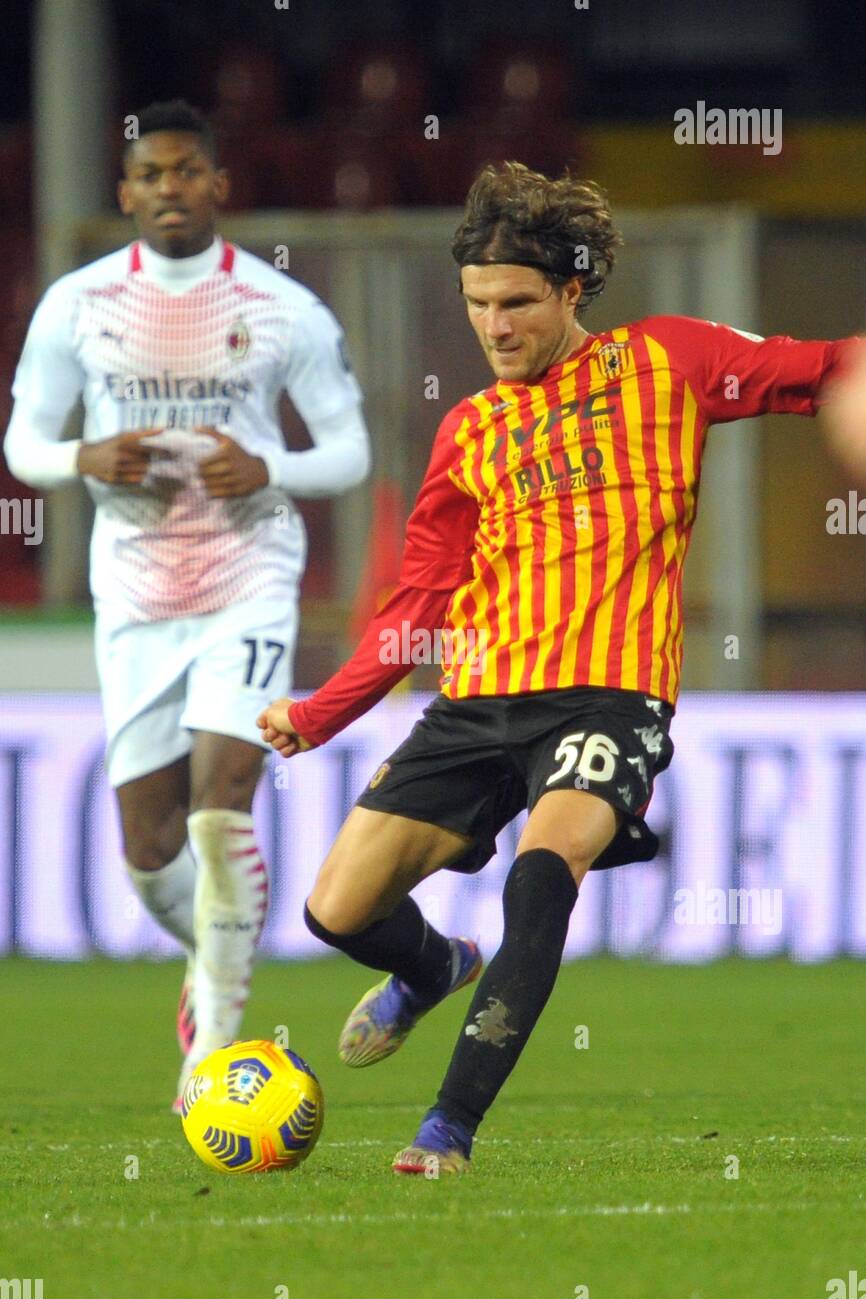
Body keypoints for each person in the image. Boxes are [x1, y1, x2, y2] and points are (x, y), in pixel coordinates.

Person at [257, 160, 853, 1174]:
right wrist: (320, 716)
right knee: (335, 909)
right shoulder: (470, 431)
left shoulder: (663, 363)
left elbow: (822, 366)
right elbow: (415, 607)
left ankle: (446, 1129)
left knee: (542, 874)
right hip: (480, 704)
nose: (494, 327)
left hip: (610, 700)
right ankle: (434, 965)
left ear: (571, 289)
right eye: (478, 305)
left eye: (517, 303)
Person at [4, 99, 370, 1108]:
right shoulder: (77, 305)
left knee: (219, 813)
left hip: (249, 574)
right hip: (132, 589)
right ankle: (210, 957)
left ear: (218, 184)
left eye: (187, 171)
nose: (170, 188)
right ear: (126, 192)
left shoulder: (281, 307)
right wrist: (83, 455)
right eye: (151, 175)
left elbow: (349, 451)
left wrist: (273, 466)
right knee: (149, 851)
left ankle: (211, 1049)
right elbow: (23, 444)